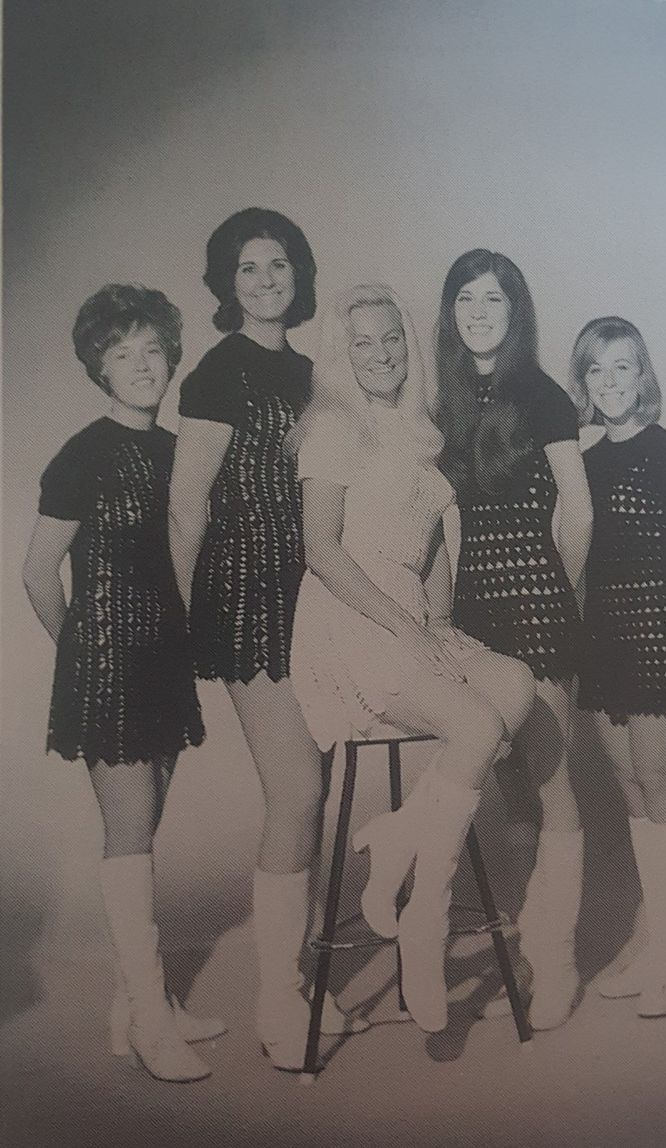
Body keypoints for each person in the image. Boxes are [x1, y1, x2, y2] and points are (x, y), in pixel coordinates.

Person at [288, 284, 535, 1033]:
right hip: (349, 619)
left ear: (408, 343)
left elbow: (428, 545)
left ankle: (397, 837)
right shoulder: (333, 429)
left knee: (515, 685)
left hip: (410, 615)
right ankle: (424, 922)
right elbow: (321, 550)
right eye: (362, 343)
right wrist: (408, 627)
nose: (381, 354)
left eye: (391, 338)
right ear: (343, 355)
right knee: (471, 726)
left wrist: (444, 622)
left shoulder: (418, 430)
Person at [168, 209, 362, 1072]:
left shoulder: (318, 374)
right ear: (225, 283)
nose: (264, 279)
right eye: (246, 267)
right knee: (299, 791)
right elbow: (186, 506)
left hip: (314, 591)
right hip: (247, 595)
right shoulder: (216, 372)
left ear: (299, 272)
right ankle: (278, 999)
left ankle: (298, 976)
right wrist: (181, 623)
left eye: (277, 263)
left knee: (314, 792)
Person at [23, 284, 222, 1083]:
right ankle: (149, 1022)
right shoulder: (81, 453)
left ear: (170, 358)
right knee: (131, 836)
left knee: (145, 829)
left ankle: (138, 1002)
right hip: (108, 662)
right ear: (97, 369)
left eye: (152, 351)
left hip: (164, 660)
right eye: (122, 354)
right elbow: (37, 573)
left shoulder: (178, 451)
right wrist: (81, 650)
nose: (142, 366)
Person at [435, 250, 593, 1029]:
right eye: (465, 298)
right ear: (451, 311)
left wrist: (554, 593)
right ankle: (529, 955)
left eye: (492, 298)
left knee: (552, 783)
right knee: (510, 793)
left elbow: (580, 507)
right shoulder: (453, 397)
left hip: (535, 606)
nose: (478, 311)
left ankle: (555, 964)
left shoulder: (541, 393)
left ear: (515, 308)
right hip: (475, 615)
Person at [569, 316, 666, 1017]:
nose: (611, 383)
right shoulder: (584, 462)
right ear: (585, 383)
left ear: (643, 376)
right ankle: (655, 936)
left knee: (664, 785)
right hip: (604, 642)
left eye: (622, 367)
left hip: (662, 638)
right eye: (597, 370)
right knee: (630, 786)